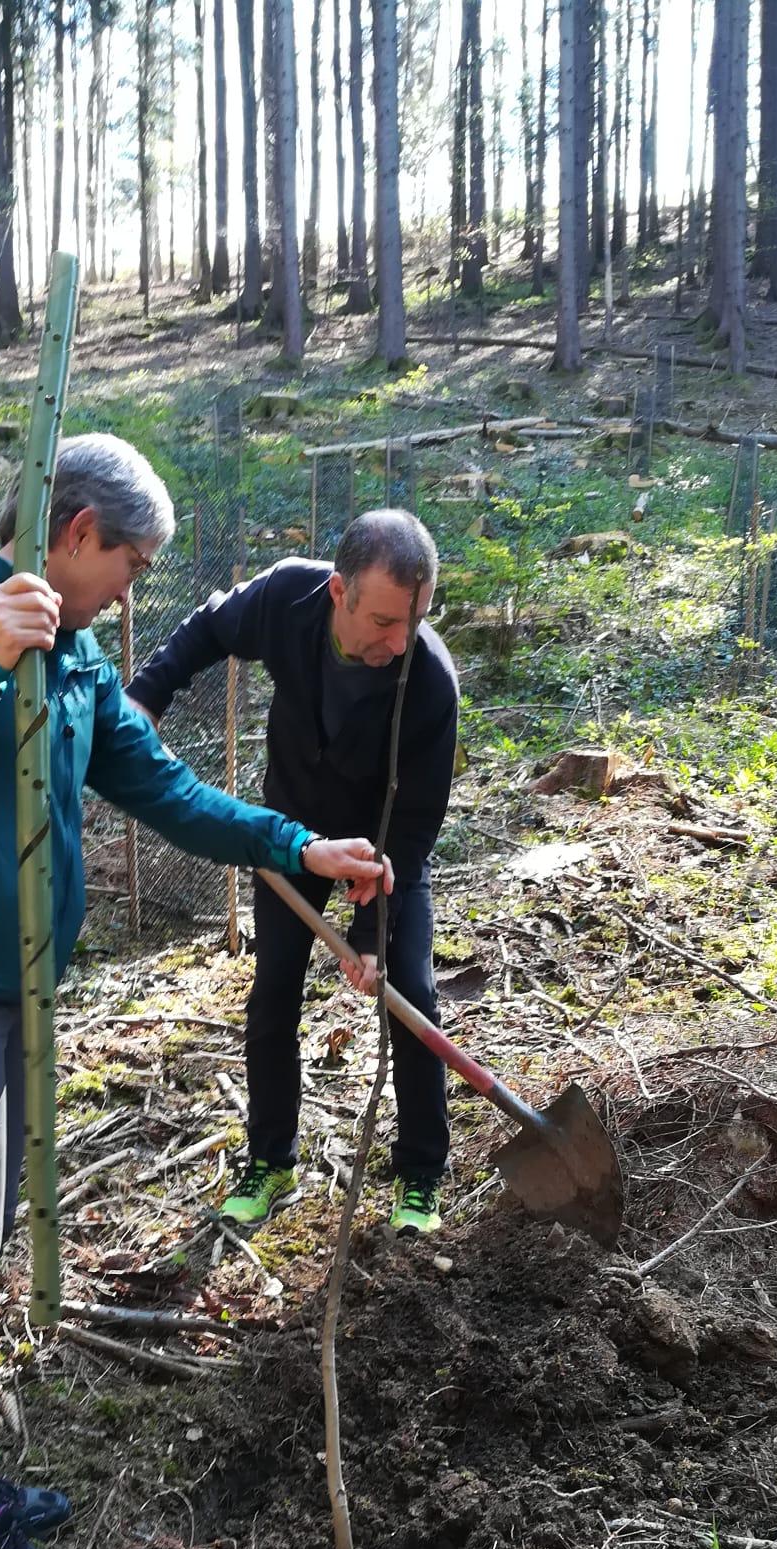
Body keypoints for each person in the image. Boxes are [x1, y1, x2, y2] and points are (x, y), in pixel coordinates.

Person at [0, 434, 390, 1549]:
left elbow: (165, 786)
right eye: (130, 559)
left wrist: (296, 845)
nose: (137, 589)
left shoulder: (70, 658)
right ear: (75, 530)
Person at [126, 511, 458, 1238]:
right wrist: (146, 695)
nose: (399, 641)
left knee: (413, 996)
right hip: (296, 837)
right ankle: (272, 1161)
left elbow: (415, 824)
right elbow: (208, 629)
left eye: (414, 620)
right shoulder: (287, 599)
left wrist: (372, 931)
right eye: (382, 621)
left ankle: (420, 1178)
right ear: (339, 592)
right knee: (273, 990)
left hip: (383, 850)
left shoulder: (429, 681)